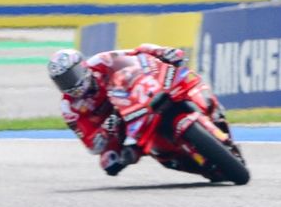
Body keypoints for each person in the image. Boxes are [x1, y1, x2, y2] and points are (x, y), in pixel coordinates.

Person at [47, 44, 223, 180]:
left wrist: (162, 52)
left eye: (71, 75)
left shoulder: (102, 61)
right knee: (109, 162)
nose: (69, 83)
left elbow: (138, 52)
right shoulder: (69, 108)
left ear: (83, 66)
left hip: (137, 96)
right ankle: (179, 158)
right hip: (120, 125)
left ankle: (211, 112)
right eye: (62, 81)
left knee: (184, 77)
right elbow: (92, 146)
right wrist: (105, 130)